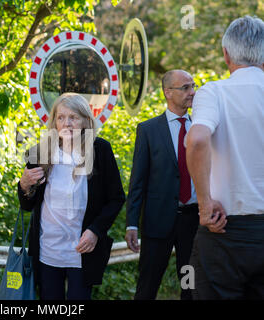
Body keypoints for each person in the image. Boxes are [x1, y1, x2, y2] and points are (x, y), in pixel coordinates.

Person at [17, 92, 125, 300]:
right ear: (54, 122)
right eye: (61, 117)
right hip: (47, 250)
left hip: (82, 250)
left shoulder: (100, 150)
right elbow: (27, 205)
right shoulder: (39, 152)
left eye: (73, 117)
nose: (67, 123)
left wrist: (95, 231)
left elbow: (116, 198)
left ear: (85, 120)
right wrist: (24, 185)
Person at [186, 15, 264, 299]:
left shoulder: (214, 92)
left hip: (224, 232)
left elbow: (196, 140)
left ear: (226, 54)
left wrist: (205, 204)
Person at [125, 70, 199, 300]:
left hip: (193, 223)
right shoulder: (148, 130)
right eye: (185, 87)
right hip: (158, 223)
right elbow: (138, 181)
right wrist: (131, 224)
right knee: (148, 286)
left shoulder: (202, 127)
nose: (192, 92)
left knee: (191, 285)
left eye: (193, 86)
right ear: (168, 92)